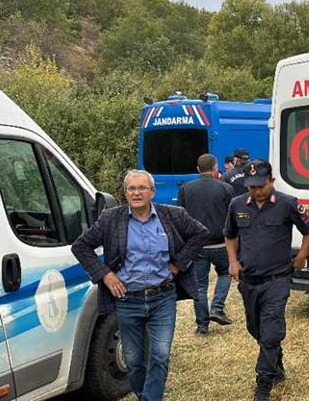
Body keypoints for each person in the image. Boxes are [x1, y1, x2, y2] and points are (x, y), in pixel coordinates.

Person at [72, 170, 209, 401]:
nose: (136, 192)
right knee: (134, 361)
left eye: (142, 188)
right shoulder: (110, 219)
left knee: (160, 355)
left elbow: (200, 234)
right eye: (131, 188)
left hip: (163, 298)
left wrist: (177, 265)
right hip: (128, 300)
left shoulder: (173, 215)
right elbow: (81, 247)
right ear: (125, 193)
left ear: (152, 192)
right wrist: (106, 275)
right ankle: (144, 393)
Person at [224, 160, 309, 401]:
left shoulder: (288, 203)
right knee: (256, 328)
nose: (256, 191)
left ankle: (263, 382)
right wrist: (233, 261)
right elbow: (230, 235)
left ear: (271, 182)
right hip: (249, 280)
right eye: (251, 187)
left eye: (261, 186)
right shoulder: (236, 205)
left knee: (271, 327)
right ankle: (276, 360)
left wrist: (303, 254)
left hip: (278, 278)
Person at [177, 153, 235, 336]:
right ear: (216, 167)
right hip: (220, 242)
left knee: (199, 285)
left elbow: (181, 217)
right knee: (225, 273)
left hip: (197, 245)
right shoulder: (226, 188)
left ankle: (202, 327)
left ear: (197, 169)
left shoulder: (186, 189)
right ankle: (217, 308)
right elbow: (233, 217)